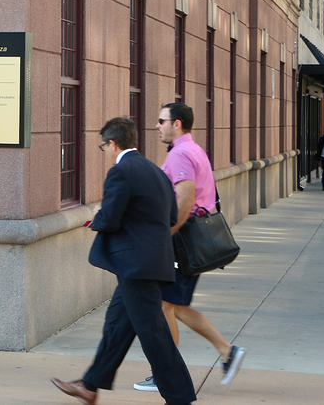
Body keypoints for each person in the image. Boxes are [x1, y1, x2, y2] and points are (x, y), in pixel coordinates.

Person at [52, 117, 197, 405]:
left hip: (135, 266)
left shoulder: (121, 171)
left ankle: (180, 398)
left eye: (102, 145)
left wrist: (97, 218)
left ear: (113, 143)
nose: (103, 150)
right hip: (150, 262)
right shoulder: (155, 170)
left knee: (153, 333)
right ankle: (90, 386)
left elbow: (111, 217)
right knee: (117, 325)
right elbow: (169, 217)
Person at [134, 103, 245, 393]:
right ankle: (226, 351)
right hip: (189, 239)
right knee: (175, 305)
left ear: (177, 124)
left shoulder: (181, 154)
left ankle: (165, 372)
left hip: (181, 239)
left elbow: (185, 199)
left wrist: (165, 234)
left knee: (164, 305)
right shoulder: (192, 149)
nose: (157, 125)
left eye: (162, 121)